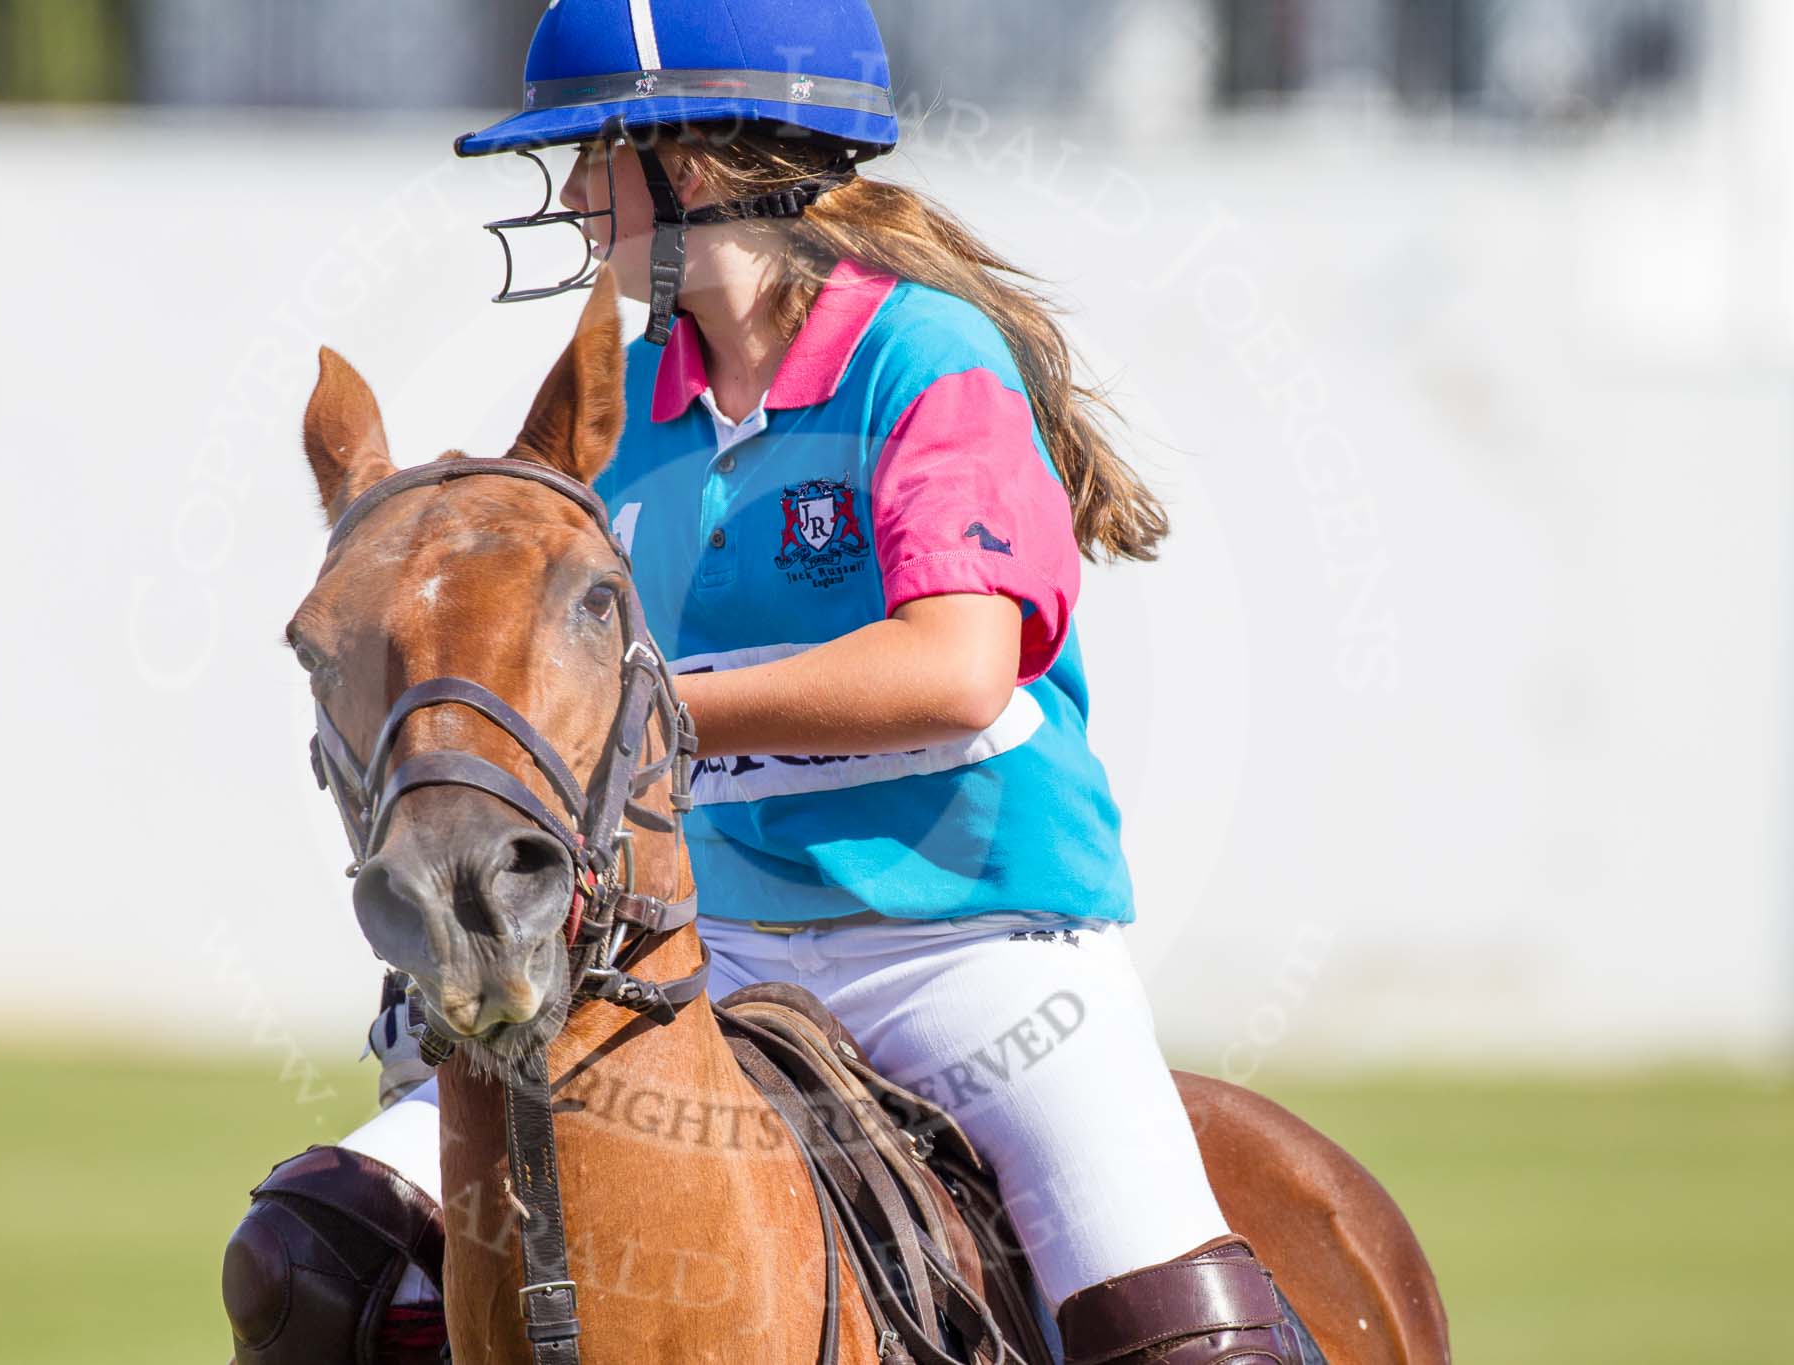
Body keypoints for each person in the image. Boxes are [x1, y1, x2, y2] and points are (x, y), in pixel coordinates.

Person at [223, 4, 1313, 1363]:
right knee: (308, 1258)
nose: (566, 195)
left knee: (1182, 1343)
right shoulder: (624, 410)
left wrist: (658, 709)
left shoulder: (925, 359)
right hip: (705, 950)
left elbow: (959, 666)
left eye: (592, 154)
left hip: (970, 954)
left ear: (707, 163)